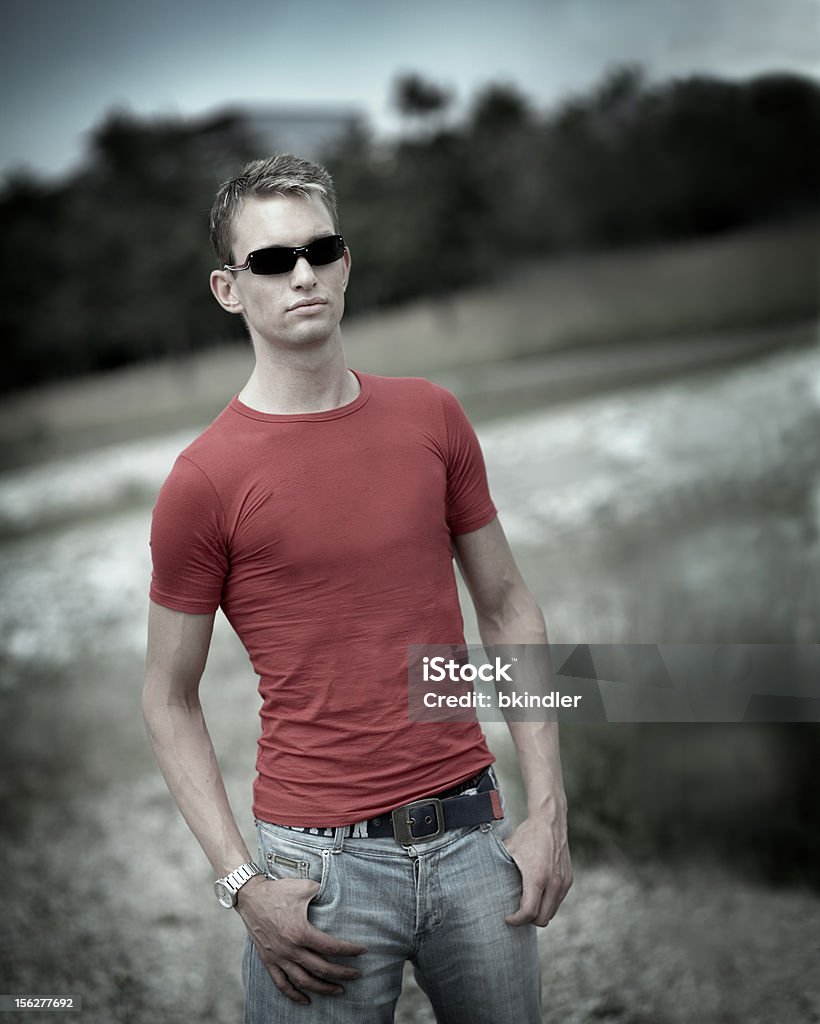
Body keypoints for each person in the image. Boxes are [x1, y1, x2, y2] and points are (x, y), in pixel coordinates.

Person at [142, 153, 572, 1024]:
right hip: (318, 878)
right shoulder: (204, 480)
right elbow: (167, 696)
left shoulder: (431, 416)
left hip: (473, 842)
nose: (301, 274)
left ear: (345, 263)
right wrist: (241, 884)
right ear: (230, 289)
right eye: (271, 260)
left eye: (318, 249)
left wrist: (549, 810)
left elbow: (507, 605)